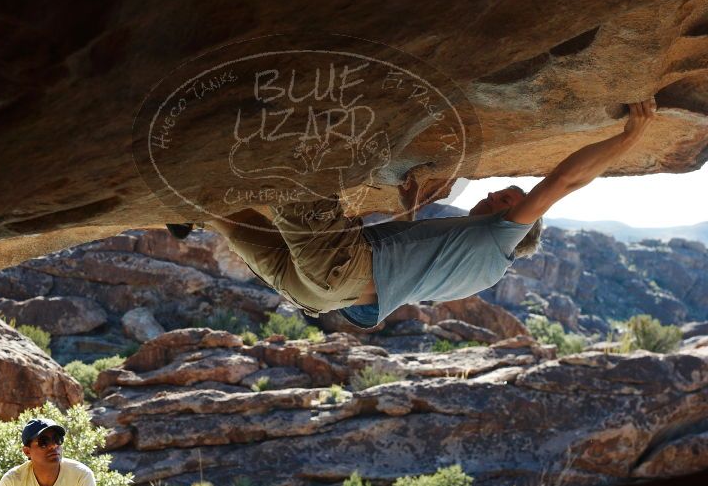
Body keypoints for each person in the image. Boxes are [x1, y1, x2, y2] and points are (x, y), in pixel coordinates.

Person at [173, 99, 655, 329]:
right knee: (228, 216)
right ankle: (188, 212)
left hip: (341, 271)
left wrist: (629, 139)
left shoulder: (501, 238)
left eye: (509, 196)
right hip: (324, 293)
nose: (496, 195)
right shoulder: (478, 270)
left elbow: (561, 182)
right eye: (503, 191)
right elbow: (408, 266)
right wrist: (407, 208)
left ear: (520, 221)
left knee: (297, 173)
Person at [0, 418, 100, 486]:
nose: (53, 445)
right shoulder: (12, 481)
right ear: (27, 451)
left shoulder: (81, 476)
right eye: (44, 442)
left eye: (57, 439)